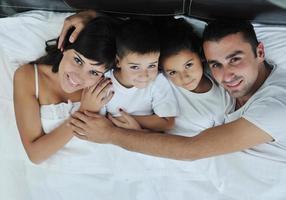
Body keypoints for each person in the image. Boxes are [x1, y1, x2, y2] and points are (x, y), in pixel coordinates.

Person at [69, 19, 286, 199]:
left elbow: (192, 149)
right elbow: (159, 32)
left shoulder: (277, 106)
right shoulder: (203, 75)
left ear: (260, 51)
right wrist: (91, 18)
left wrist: (110, 134)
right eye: (215, 64)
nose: (225, 75)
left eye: (235, 59)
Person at [13, 17, 117, 200]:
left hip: (104, 180)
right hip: (52, 185)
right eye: (77, 60)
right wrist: (83, 112)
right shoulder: (28, 77)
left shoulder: (102, 83)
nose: (78, 77)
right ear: (64, 48)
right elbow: (35, 154)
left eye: (94, 72)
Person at [96, 19, 178, 132]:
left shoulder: (158, 81)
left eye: (151, 66)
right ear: (118, 61)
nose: (144, 76)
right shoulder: (104, 81)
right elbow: (98, 120)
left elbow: (167, 122)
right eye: (135, 67)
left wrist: (125, 121)